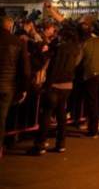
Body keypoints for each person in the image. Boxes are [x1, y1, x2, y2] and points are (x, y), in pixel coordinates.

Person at [29, 26, 82, 155]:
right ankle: (61, 143)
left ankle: (40, 144)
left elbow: (54, 67)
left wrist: (47, 84)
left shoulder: (60, 48)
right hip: (68, 84)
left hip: (55, 84)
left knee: (46, 114)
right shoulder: (76, 49)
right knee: (61, 114)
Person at [0, 16, 31, 158]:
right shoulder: (18, 43)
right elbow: (25, 69)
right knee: (2, 118)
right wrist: (24, 88)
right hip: (7, 85)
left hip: (7, 83)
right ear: (11, 26)